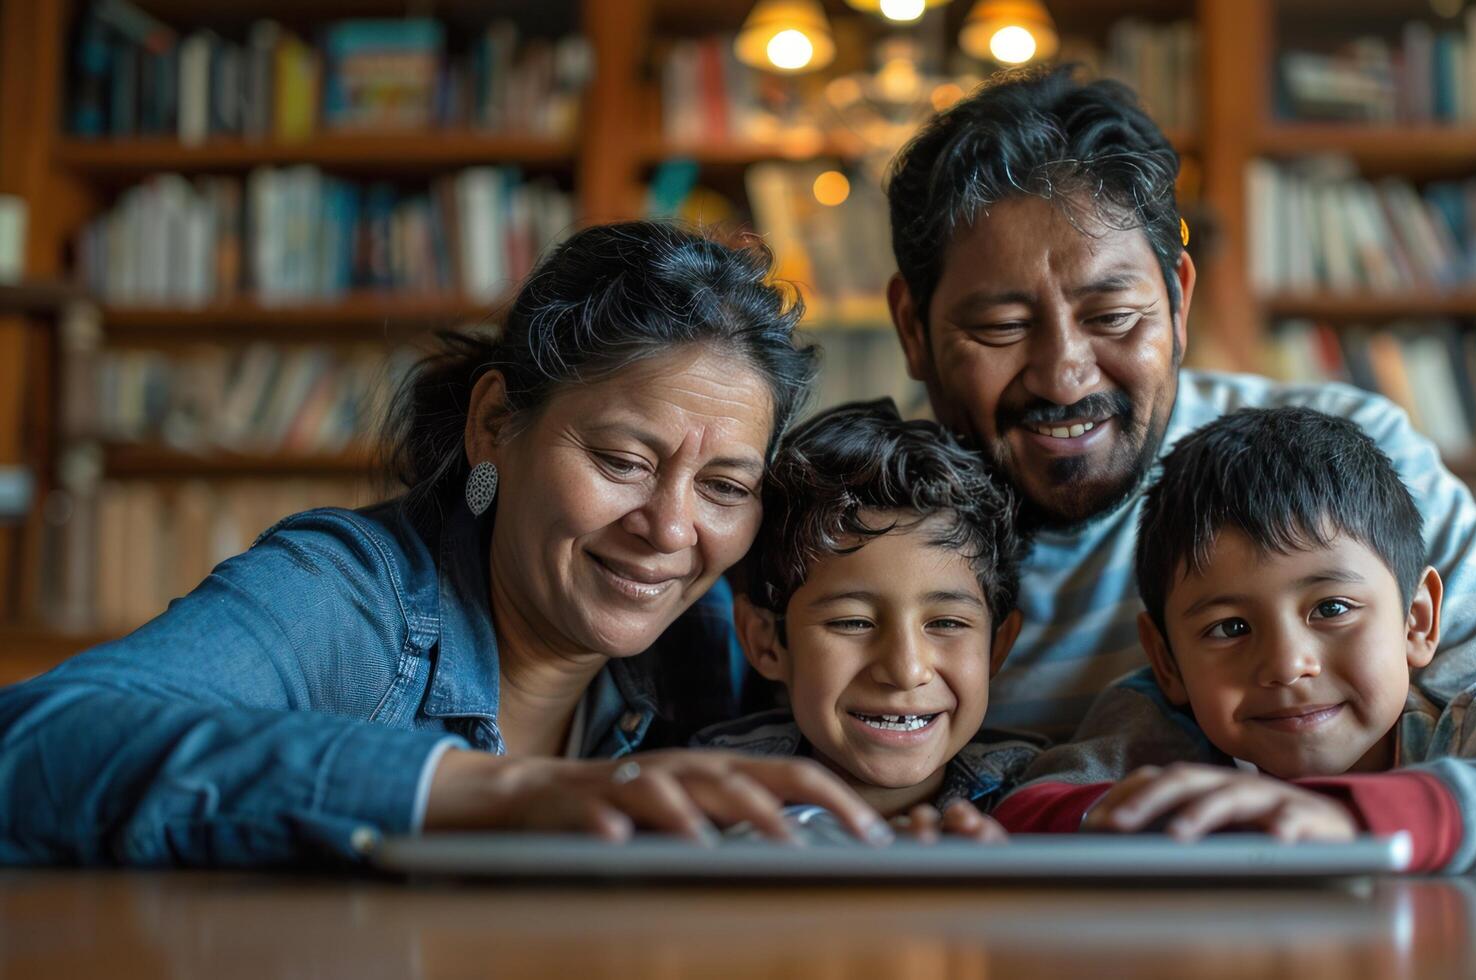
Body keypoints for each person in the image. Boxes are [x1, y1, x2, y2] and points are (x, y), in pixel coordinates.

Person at [0, 221, 890, 866]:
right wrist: (482, 790)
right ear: (495, 423)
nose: (667, 529)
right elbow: (34, 749)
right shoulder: (347, 592)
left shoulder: (711, 641)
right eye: (622, 461)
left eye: (725, 489)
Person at [882, 67, 1476, 774]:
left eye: (1113, 316)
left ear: (1177, 301)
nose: (1064, 375)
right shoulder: (851, 510)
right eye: (1001, 328)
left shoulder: (1347, 465)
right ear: (913, 329)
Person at [990, 407, 1476, 872]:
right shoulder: (1159, 723)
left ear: (1416, 620)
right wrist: (1153, 824)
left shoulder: (1467, 727)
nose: (1287, 664)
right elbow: (1025, 810)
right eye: (1228, 628)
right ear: (1166, 660)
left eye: (1329, 608)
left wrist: (1359, 820)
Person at [693, 400, 1040, 842]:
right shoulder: (709, 790)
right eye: (853, 623)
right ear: (765, 642)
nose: (905, 670)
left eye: (947, 623)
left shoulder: (1036, 793)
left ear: (997, 645)